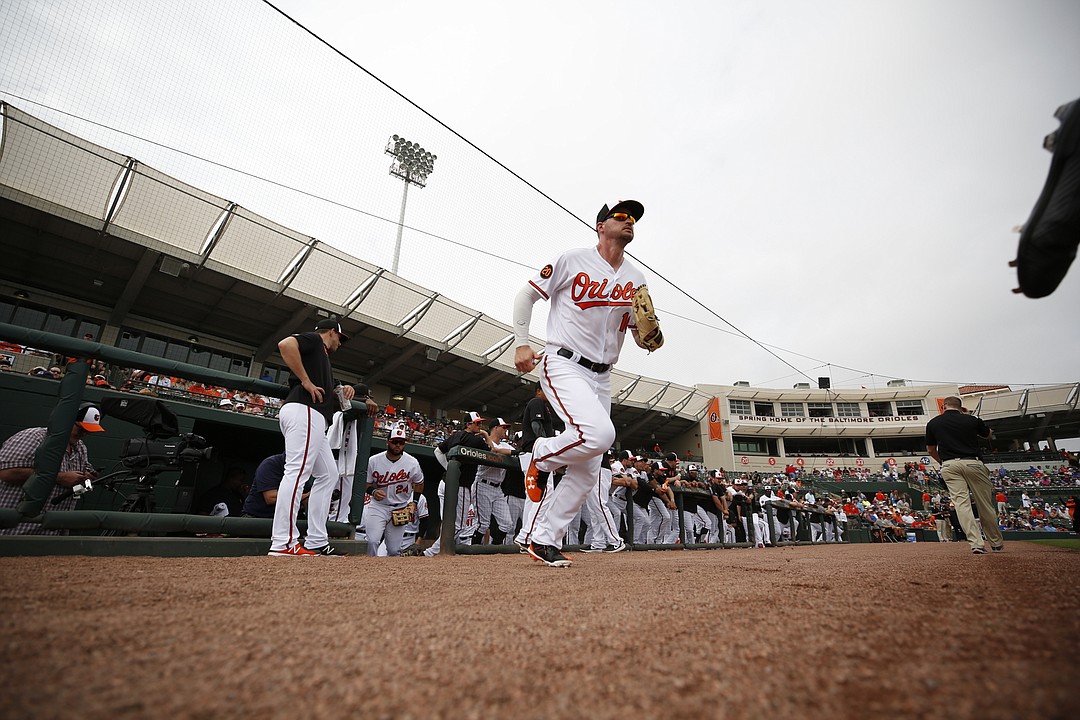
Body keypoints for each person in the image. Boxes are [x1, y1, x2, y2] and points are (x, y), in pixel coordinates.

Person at [512, 199, 651, 567]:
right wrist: (521, 342)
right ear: (601, 226)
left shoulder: (637, 278)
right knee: (599, 436)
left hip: (603, 375)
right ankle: (541, 456)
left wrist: (649, 334)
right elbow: (526, 294)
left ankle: (543, 539)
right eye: (621, 216)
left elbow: (640, 333)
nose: (629, 221)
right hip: (564, 363)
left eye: (633, 218)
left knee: (589, 469)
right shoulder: (571, 260)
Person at [268, 318, 376, 557]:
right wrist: (306, 381)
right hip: (304, 411)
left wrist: (348, 389)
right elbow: (286, 344)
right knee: (296, 473)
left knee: (329, 474)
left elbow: (334, 390)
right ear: (330, 333)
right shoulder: (316, 341)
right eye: (340, 337)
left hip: (313, 418)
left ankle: (316, 540)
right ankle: (283, 543)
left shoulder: (321, 358)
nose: (341, 342)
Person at [0, 403, 104, 535]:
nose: (84, 434)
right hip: (17, 530)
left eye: (89, 431)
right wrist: (59, 477)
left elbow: (84, 485)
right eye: (81, 429)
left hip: (53, 533)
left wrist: (88, 480)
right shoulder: (35, 437)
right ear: (66, 421)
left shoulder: (80, 448)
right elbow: (6, 473)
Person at [925, 396, 1004, 555]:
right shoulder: (971, 420)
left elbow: (931, 450)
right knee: (984, 504)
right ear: (960, 407)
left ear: (944, 407)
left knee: (962, 505)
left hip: (949, 464)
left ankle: (976, 543)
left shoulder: (933, 423)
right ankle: (995, 543)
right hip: (973, 462)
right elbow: (988, 434)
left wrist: (943, 462)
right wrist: (969, 416)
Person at [364, 426, 425, 557]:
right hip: (378, 506)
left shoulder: (412, 462)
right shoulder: (374, 460)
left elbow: (419, 482)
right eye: (394, 441)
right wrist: (373, 491)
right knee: (372, 541)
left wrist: (414, 502)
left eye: (401, 442)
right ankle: (368, 568)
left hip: (400, 508)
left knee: (393, 549)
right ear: (387, 442)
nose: (398, 445)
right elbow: (366, 483)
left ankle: (390, 575)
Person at [473, 418, 514, 544]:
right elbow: (492, 450)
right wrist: (486, 437)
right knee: (483, 524)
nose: (505, 430)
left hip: (498, 488)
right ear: (496, 428)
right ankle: (472, 551)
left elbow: (515, 453)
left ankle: (494, 548)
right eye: (503, 427)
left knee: (507, 524)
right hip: (483, 484)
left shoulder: (505, 445)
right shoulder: (482, 441)